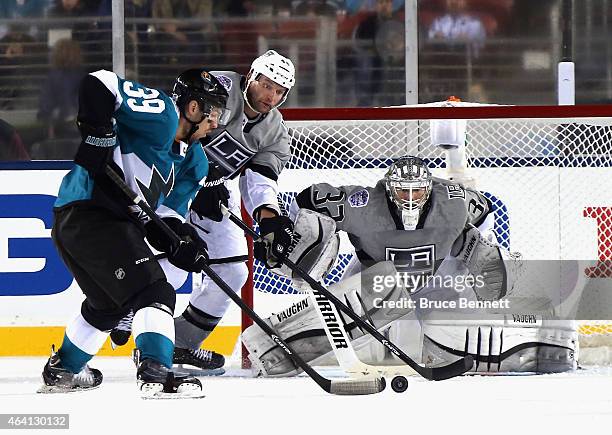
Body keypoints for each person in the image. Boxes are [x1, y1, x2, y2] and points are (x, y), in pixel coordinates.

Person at [241, 155, 577, 375]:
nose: (411, 199)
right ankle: (271, 348)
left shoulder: (454, 202)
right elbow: (307, 199)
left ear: (430, 191)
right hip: (374, 277)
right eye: (403, 193)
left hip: (436, 281)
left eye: (418, 192)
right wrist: (294, 232)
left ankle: (547, 343)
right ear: (388, 192)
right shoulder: (361, 203)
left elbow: (485, 213)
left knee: (452, 336)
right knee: (377, 293)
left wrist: (480, 252)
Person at [39, 67, 229, 397]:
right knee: (155, 292)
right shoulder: (163, 115)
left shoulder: (194, 162)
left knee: (108, 307)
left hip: (89, 224)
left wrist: (182, 242)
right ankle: (156, 372)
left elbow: (164, 222)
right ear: (193, 107)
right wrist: (98, 135)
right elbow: (98, 82)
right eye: (213, 111)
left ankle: (63, 369)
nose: (216, 122)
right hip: (90, 211)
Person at [110, 50, 297, 374]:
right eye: (267, 85)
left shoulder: (275, 130)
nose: (272, 96)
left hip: (211, 193)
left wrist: (269, 219)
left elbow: (259, 182)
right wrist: (194, 181)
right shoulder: (220, 88)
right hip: (169, 181)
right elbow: (180, 125)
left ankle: (181, 343)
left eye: (280, 90)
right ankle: (135, 307)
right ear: (251, 77)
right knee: (176, 262)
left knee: (234, 272)